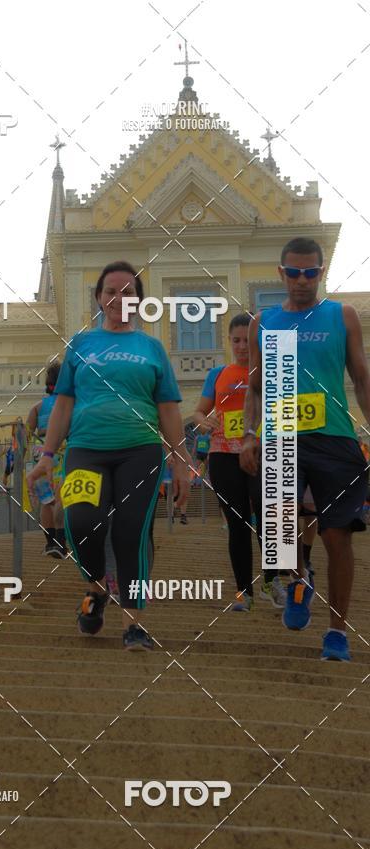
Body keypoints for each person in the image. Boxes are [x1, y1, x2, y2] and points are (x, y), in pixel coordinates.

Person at [28, 260, 190, 650]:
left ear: (139, 301)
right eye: (110, 291)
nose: (119, 298)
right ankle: (99, 588)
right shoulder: (81, 345)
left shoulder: (151, 348)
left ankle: (133, 623)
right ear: (99, 298)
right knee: (80, 522)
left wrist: (181, 460)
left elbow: (168, 409)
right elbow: (63, 404)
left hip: (140, 451)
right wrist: (47, 455)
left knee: (131, 532)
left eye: (128, 292)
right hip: (86, 450)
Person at [241, 237, 370, 661]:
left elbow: (361, 378)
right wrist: (249, 434)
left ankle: (337, 632)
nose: (302, 280)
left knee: (337, 534)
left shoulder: (341, 315)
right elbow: (256, 387)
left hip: (334, 437)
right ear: (281, 274)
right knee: (280, 527)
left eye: (311, 272)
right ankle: (299, 580)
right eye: (294, 273)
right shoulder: (266, 322)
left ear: (321, 272)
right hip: (281, 435)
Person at [193, 313, 285, 611]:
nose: (243, 346)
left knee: (269, 516)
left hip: (262, 451)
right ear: (229, 341)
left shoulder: (272, 371)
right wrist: (202, 421)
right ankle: (244, 592)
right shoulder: (218, 374)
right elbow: (199, 411)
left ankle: (271, 580)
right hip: (223, 454)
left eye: (248, 340)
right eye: (237, 341)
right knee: (237, 523)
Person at [27, 361, 67, 558]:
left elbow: (25, 436)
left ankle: (50, 543)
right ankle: (61, 542)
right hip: (62, 447)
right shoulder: (70, 403)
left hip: (40, 450)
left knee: (46, 499)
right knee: (61, 498)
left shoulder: (37, 407)